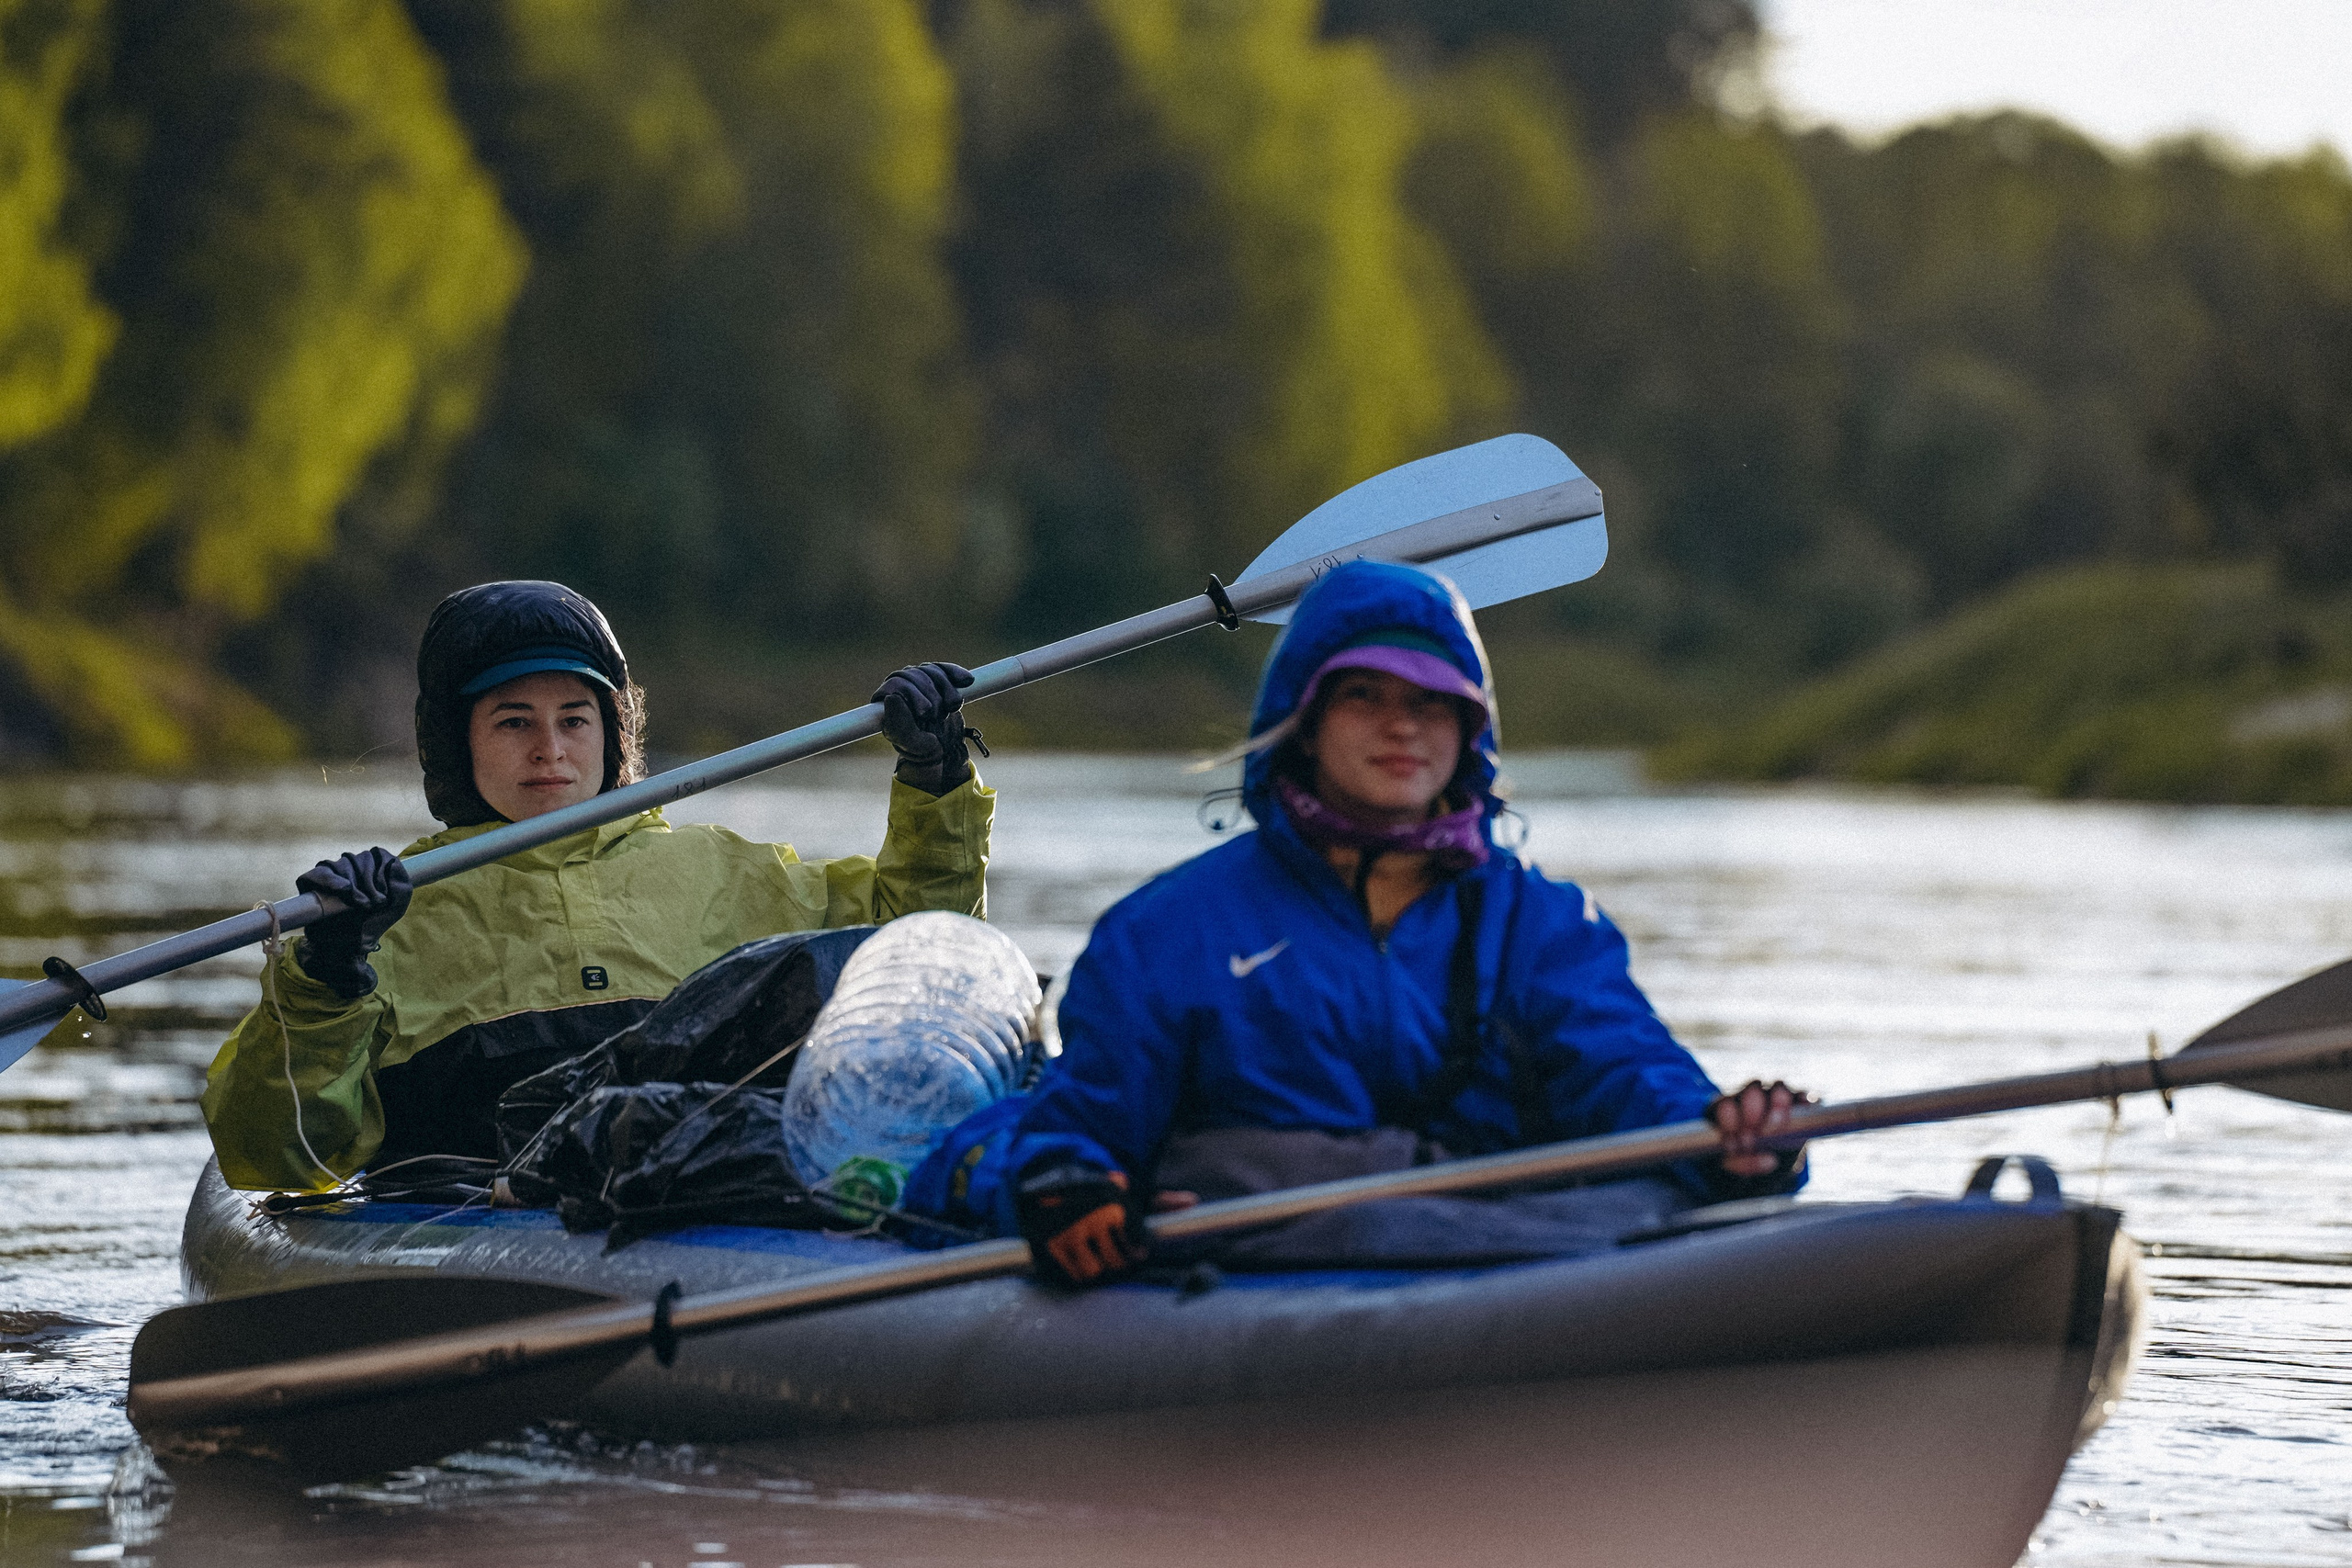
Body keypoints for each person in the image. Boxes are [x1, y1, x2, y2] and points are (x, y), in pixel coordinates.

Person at [937, 559, 1806, 1284]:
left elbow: (1629, 1071)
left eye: (1430, 702)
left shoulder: (1542, 923)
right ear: (1304, 727)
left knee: (1671, 1188)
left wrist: (1731, 1136)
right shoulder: (1165, 932)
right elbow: (1083, 1122)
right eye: (1364, 695)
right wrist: (1061, 1184)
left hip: (1505, 1243)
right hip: (1255, 1259)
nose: (1402, 725)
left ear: (1469, 733)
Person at [202, 580, 994, 1191]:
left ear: (611, 734)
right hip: (473, 1224)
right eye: (514, 721)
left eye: (574, 720)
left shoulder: (730, 872)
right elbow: (281, 1154)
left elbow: (924, 953)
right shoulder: (381, 920)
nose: (550, 750)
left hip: (702, 1202)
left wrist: (934, 776)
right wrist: (328, 975)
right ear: (459, 744)